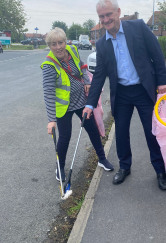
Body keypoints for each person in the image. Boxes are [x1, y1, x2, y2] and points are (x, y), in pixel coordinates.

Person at [83, 0, 166, 191]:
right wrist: (90, 103)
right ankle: (125, 167)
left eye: (108, 15)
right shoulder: (102, 44)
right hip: (121, 93)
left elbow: (156, 54)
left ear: (118, 12)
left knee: (152, 133)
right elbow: (98, 76)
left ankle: (160, 170)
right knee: (121, 133)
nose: (105, 20)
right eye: (101, 17)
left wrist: (162, 82)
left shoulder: (138, 27)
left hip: (143, 90)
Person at [41, 27, 114, 182]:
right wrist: (51, 119)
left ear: (65, 41)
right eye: (53, 44)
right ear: (49, 46)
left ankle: (101, 158)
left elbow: (81, 66)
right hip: (64, 107)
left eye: (60, 42)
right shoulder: (49, 65)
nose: (58, 47)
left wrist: (87, 82)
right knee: (65, 137)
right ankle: (59, 167)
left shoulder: (72, 49)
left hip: (81, 101)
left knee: (92, 130)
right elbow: (48, 94)